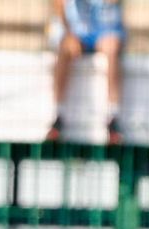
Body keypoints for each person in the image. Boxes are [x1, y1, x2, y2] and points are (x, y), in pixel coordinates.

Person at [47, 0, 126, 146]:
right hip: (76, 30)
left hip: (105, 29)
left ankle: (113, 118)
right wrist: (69, 33)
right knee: (64, 48)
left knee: (112, 48)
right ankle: (58, 115)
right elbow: (59, 4)